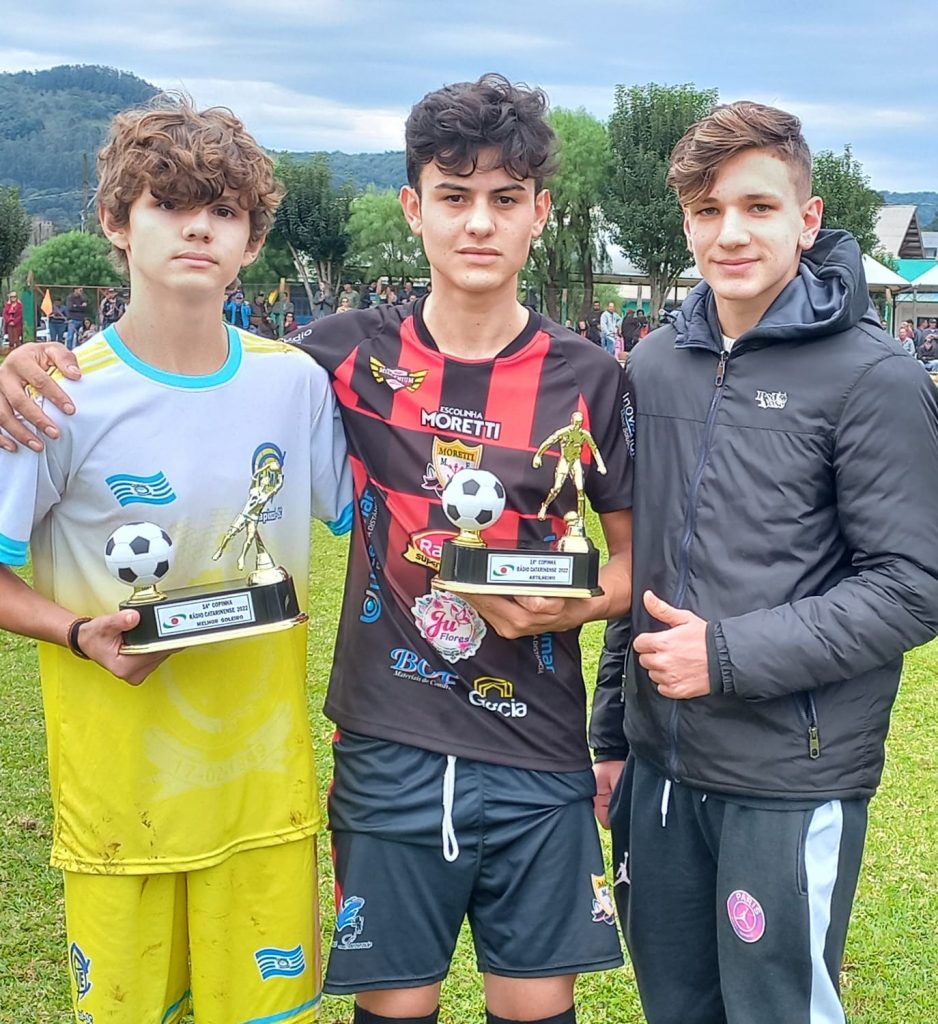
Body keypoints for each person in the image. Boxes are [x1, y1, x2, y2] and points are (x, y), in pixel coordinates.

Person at [0, 73, 633, 1024]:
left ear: (540, 212)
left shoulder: (576, 375)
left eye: (506, 199)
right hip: (370, 746)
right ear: (413, 208)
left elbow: (633, 558)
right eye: (454, 197)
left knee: (535, 1003)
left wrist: (579, 600)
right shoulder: (328, 358)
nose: (478, 223)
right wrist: (19, 367)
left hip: (526, 745)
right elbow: (178, 369)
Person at [0, 96, 352, 1024]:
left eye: (223, 210)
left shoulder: (294, 384)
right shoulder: (57, 396)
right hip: (124, 807)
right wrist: (76, 631)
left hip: (262, 800)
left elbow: (378, 515)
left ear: (251, 242)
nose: (198, 227)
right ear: (116, 222)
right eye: (168, 203)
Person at [589, 100, 938, 1024]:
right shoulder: (653, 365)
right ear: (686, 224)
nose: (731, 233)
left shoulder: (876, 378)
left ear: (807, 219)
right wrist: (612, 738)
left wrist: (727, 655)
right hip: (660, 770)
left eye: (758, 207)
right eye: (707, 210)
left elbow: (914, 585)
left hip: (788, 778)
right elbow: (645, 567)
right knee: (676, 1006)